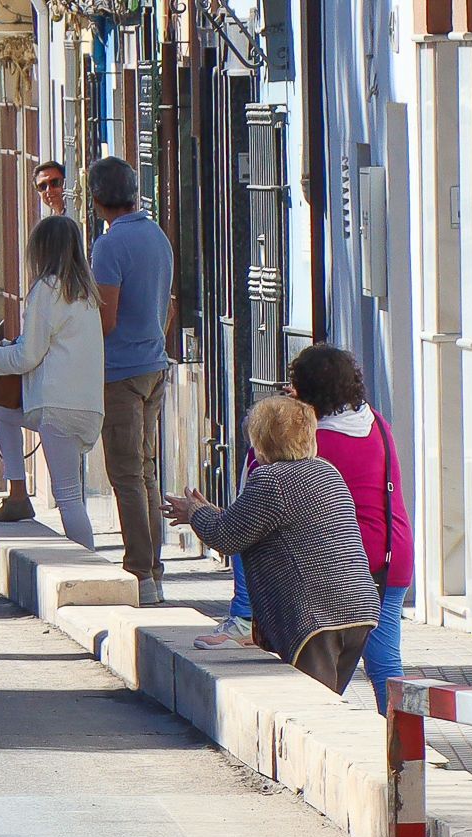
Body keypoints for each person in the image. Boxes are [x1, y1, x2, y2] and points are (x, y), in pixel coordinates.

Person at [199, 346, 412, 713]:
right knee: (385, 663)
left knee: (321, 678)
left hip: (338, 566)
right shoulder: (377, 423)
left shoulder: (306, 444)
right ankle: (402, 743)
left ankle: (243, 618)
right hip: (393, 554)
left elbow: (244, 520)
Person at [164, 397, 378, 694]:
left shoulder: (271, 479)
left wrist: (194, 512)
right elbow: (246, 525)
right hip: (358, 608)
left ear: (261, 442)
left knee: (312, 708)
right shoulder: (327, 472)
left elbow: (226, 537)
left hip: (316, 616)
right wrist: (207, 512)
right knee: (328, 698)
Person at [0, 216, 103, 539]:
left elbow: (27, 355)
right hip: (87, 407)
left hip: (57, 407)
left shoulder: (47, 290)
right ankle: (18, 494)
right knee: (3, 410)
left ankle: (89, 570)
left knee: (68, 497)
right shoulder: (87, 294)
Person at [89, 155, 173, 604]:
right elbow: (169, 304)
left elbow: (106, 318)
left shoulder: (109, 246)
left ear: (98, 199)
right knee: (146, 470)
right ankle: (153, 567)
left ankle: (140, 572)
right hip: (154, 365)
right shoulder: (158, 237)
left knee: (125, 473)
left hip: (120, 372)